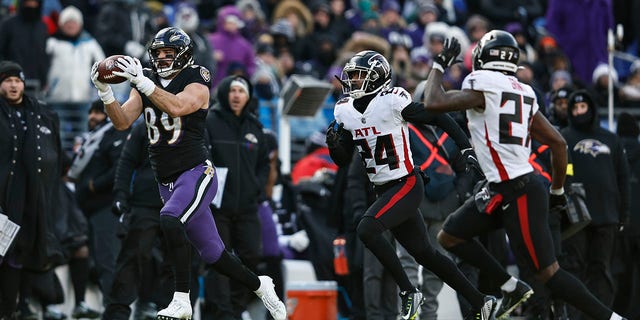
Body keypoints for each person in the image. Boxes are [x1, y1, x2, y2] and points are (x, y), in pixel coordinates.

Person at [421, 29, 629, 320]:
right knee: (450, 235)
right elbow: (558, 143)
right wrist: (557, 191)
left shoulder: (483, 85)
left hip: (517, 189)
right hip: (504, 187)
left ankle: (613, 318)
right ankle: (511, 287)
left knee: (549, 274)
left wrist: (439, 65)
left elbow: (432, 102)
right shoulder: (523, 90)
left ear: (482, 57)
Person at [89, 26, 286, 320]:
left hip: (195, 172)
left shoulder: (197, 77)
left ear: (184, 54)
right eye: (158, 53)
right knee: (214, 254)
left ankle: (182, 299)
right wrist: (105, 92)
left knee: (169, 218)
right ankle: (261, 286)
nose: (162, 59)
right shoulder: (148, 80)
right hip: (165, 180)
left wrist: (143, 83)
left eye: (169, 53)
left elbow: (179, 106)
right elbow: (122, 121)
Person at [326, 50, 498, 320]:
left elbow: (436, 116)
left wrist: (465, 146)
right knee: (425, 254)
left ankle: (408, 292)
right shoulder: (344, 110)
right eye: (352, 76)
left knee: (367, 229)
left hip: (405, 184)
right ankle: (481, 301)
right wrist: (335, 146)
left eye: (360, 76)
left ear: (377, 78)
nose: (354, 82)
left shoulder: (392, 101)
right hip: (383, 189)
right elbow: (343, 159)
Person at [203, 75, 270, 319]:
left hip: (247, 207)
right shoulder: (210, 121)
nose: (236, 95)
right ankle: (220, 313)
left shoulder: (255, 126)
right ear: (224, 93)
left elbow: (264, 164)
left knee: (251, 256)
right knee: (219, 260)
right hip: (217, 207)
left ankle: (236, 307)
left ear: (248, 95)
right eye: (232, 90)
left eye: (241, 91)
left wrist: (258, 188)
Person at [0, 61, 62, 318]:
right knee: (4, 253)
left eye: (18, 80)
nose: (14, 85)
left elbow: (55, 152)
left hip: (32, 195)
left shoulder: (39, 112)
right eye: (8, 80)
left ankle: (18, 307)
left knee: (23, 252)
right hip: (4, 195)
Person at [560, 90, 630, 319]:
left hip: (607, 215)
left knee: (601, 270)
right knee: (574, 269)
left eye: (583, 107)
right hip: (574, 218)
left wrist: (623, 213)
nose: (580, 112)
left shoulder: (611, 139)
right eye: (575, 108)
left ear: (591, 108)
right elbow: (559, 174)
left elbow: (622, 177)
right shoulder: (564, 137)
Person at [101, 121, 164, 320]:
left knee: (177, 262)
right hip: (145, 202)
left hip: (182, 204)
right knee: (132, 257)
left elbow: (205, 165)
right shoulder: (143, 126)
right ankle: (117, 313)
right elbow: (126, 161)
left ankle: (163, 309)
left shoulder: (192, 123)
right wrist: (120, 195)